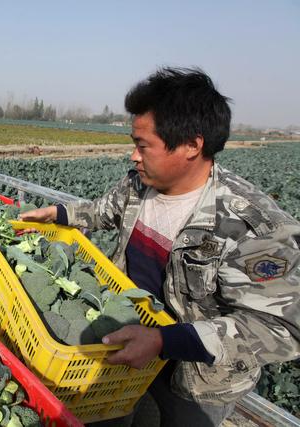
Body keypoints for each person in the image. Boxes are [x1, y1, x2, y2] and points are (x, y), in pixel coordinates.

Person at [20, 67, 300, 427]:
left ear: (191, 146)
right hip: (127, 346)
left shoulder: (253, 226)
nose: (134, 156)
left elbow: (279, 327)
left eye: (142, 145)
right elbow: (105, 210)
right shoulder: (140, 184)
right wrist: (60, 213)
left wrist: (165, 340)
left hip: (197, 379)